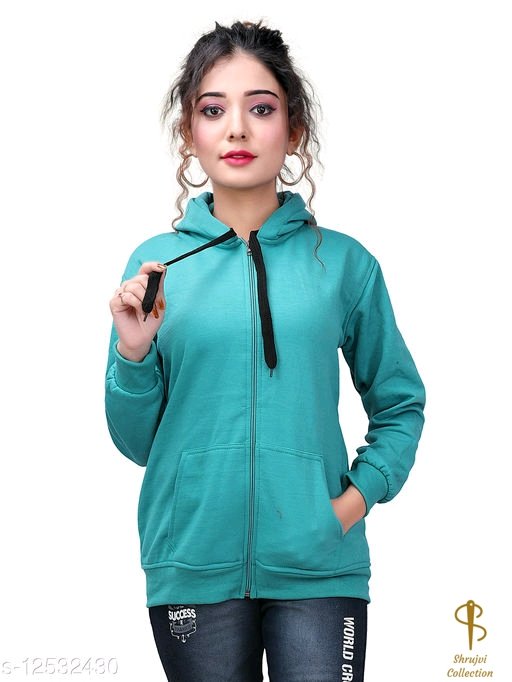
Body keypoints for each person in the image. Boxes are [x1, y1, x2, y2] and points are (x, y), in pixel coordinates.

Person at [104, 19, 426, 682]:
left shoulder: (343, 264)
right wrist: (133, 355)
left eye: (260, 108)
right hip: (191, 563)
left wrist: (350, 504)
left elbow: (400, 404)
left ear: (294, 128)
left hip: (321, 566)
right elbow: (140, 446)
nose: (237, 130)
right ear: (188, 133)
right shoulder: (157, 266)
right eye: (212, 110)